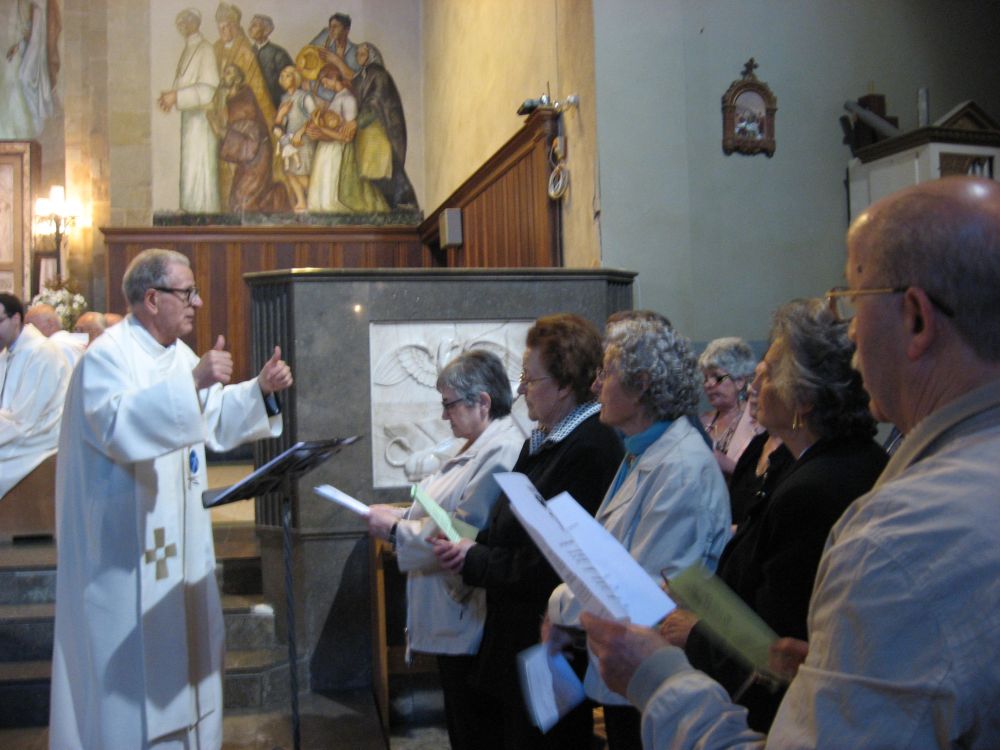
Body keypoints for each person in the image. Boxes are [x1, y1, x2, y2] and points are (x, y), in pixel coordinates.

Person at [581, 176, 1000, 748]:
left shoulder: (899, 534)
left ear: (917, 319)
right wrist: (833, 673)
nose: (851, 331)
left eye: (854, 302)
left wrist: (658, 680)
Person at [49, 248, 293, 748]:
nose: (198, 302)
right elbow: (118, 427)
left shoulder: (173, 354)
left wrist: (259, 391)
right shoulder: (107, 357)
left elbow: (211, 417)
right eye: (187, 293)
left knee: (190, 661)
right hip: (123, 556)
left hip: (179, 551)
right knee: (131, 693)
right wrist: (194, 383)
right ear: (151, 298)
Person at [662, 299, 887, 732]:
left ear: (801, 397)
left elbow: (777, 641)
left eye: (764, 376)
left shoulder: (816, 489)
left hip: (779, 716)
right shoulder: (809, 461)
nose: (753, 388)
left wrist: (693, 632)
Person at [434, 313, 624, 750]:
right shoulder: (544, 441)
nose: (519, 390)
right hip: (518, 636)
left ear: (563, 383)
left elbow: (558, 560)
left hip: (550, 638)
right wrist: (471, 545)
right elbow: (509, 526)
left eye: (529, 378)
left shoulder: (590, 447)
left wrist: (474, 558)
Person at [545, 315, 731, 749]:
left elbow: (641, 594)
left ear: (642, 383)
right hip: (628, 674)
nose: (595, 387)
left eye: (606, 373)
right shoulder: (642, 451)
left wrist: (558, 606)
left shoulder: (682, 466)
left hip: (655, 678)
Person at [366, 350, 523, 750]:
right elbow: (440, 509)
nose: (444, 415)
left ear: (483, 401)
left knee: (475, 731)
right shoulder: (474, 444)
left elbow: (462, 530)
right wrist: (402, 513)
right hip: (451, 613)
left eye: (449, 404)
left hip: (468, 613)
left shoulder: (500, 450)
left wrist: (397, 529)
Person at [0, 292, 70, 499]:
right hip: (15, 430)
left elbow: (23, 418)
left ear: (16, 319)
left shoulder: (41, 353)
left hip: (39, 436)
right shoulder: (6, 355)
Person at [157, 8, 220, 213]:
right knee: (189, 169)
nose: (181, 26)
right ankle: (189, 211)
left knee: (200, 169)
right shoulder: (189, 48)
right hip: (190, 119)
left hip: (202, 121)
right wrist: (171, 97)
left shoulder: (206, 49)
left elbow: (209, 90)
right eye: (179, 23)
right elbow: (182, 82)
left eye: (184, 21)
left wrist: (176, 96)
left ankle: (202, 214)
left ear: (196, 22)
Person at [213, 2, 275, 206]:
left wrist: (273, 125)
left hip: (244, 123)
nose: (225, 31)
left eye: (229, 26)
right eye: (221, 27)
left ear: (236, 26)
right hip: (222, 115)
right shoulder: (215, 49)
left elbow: (258, 91)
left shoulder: (245, 51)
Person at [306, 63, 387, 213]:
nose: (324, 86)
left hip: (339, 151)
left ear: (332, 77)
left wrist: (322, 130)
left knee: (331, 199)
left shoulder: (348, 99)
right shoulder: (337, 97)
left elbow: (347, 136)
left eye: (324, 82)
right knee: (319, 200)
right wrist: (320, 133)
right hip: (327, 148)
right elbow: (334, 129)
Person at [353, 42, 418, 210]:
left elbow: (376, 100)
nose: (358, 57)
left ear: (371, 55)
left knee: (383, 163)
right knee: (370, 166)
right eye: (357, 54)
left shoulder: (378, 74)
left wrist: (358, 120)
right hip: (366, 128)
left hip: (379, 126)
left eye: (362, 54)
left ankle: (402, 198)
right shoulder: (362, 76)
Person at [217, 62, 288, 212]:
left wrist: (222, 132)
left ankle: (277, 195)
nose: (224, 76)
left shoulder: (244, 101)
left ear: (237, 79)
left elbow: (251, 139)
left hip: (258, 154)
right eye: (224, 73)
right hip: (245, 153)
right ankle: (272, 195)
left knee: (244, 204)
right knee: (236, 202)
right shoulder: (228, 100)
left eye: (228, 72)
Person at [699, 337, 759, 476]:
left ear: (739, 381)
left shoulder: (758, 421)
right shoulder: (701, 422)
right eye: (705, 378)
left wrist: (726, 464)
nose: (708, 384)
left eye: (717, 377)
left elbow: (761, 475)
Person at [273, 65, 317, 212]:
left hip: (303, 140)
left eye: (288, 75)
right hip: (290, 140)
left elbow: (315, 117)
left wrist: (301, 131)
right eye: (283, 75)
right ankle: (301, 201)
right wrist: (280, 123)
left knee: (302, 173)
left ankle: (314, 200)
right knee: (290, 173)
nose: (284, 78)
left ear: (295, 78)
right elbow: (281, 122)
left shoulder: (305, 96)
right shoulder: (284, 98)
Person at [247, 13, 292, 110]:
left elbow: (289, 84)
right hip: (252, 106)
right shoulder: (248, 52)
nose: (250, 28)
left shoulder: (278, 53)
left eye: (255, 25)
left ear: (266, 31)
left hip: (274, 105)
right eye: (251, 24)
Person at [24, 302, 85, 367]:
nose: (28, 330)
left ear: (50, 323)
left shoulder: (50, 347)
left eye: (31, 325)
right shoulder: (75, 341)